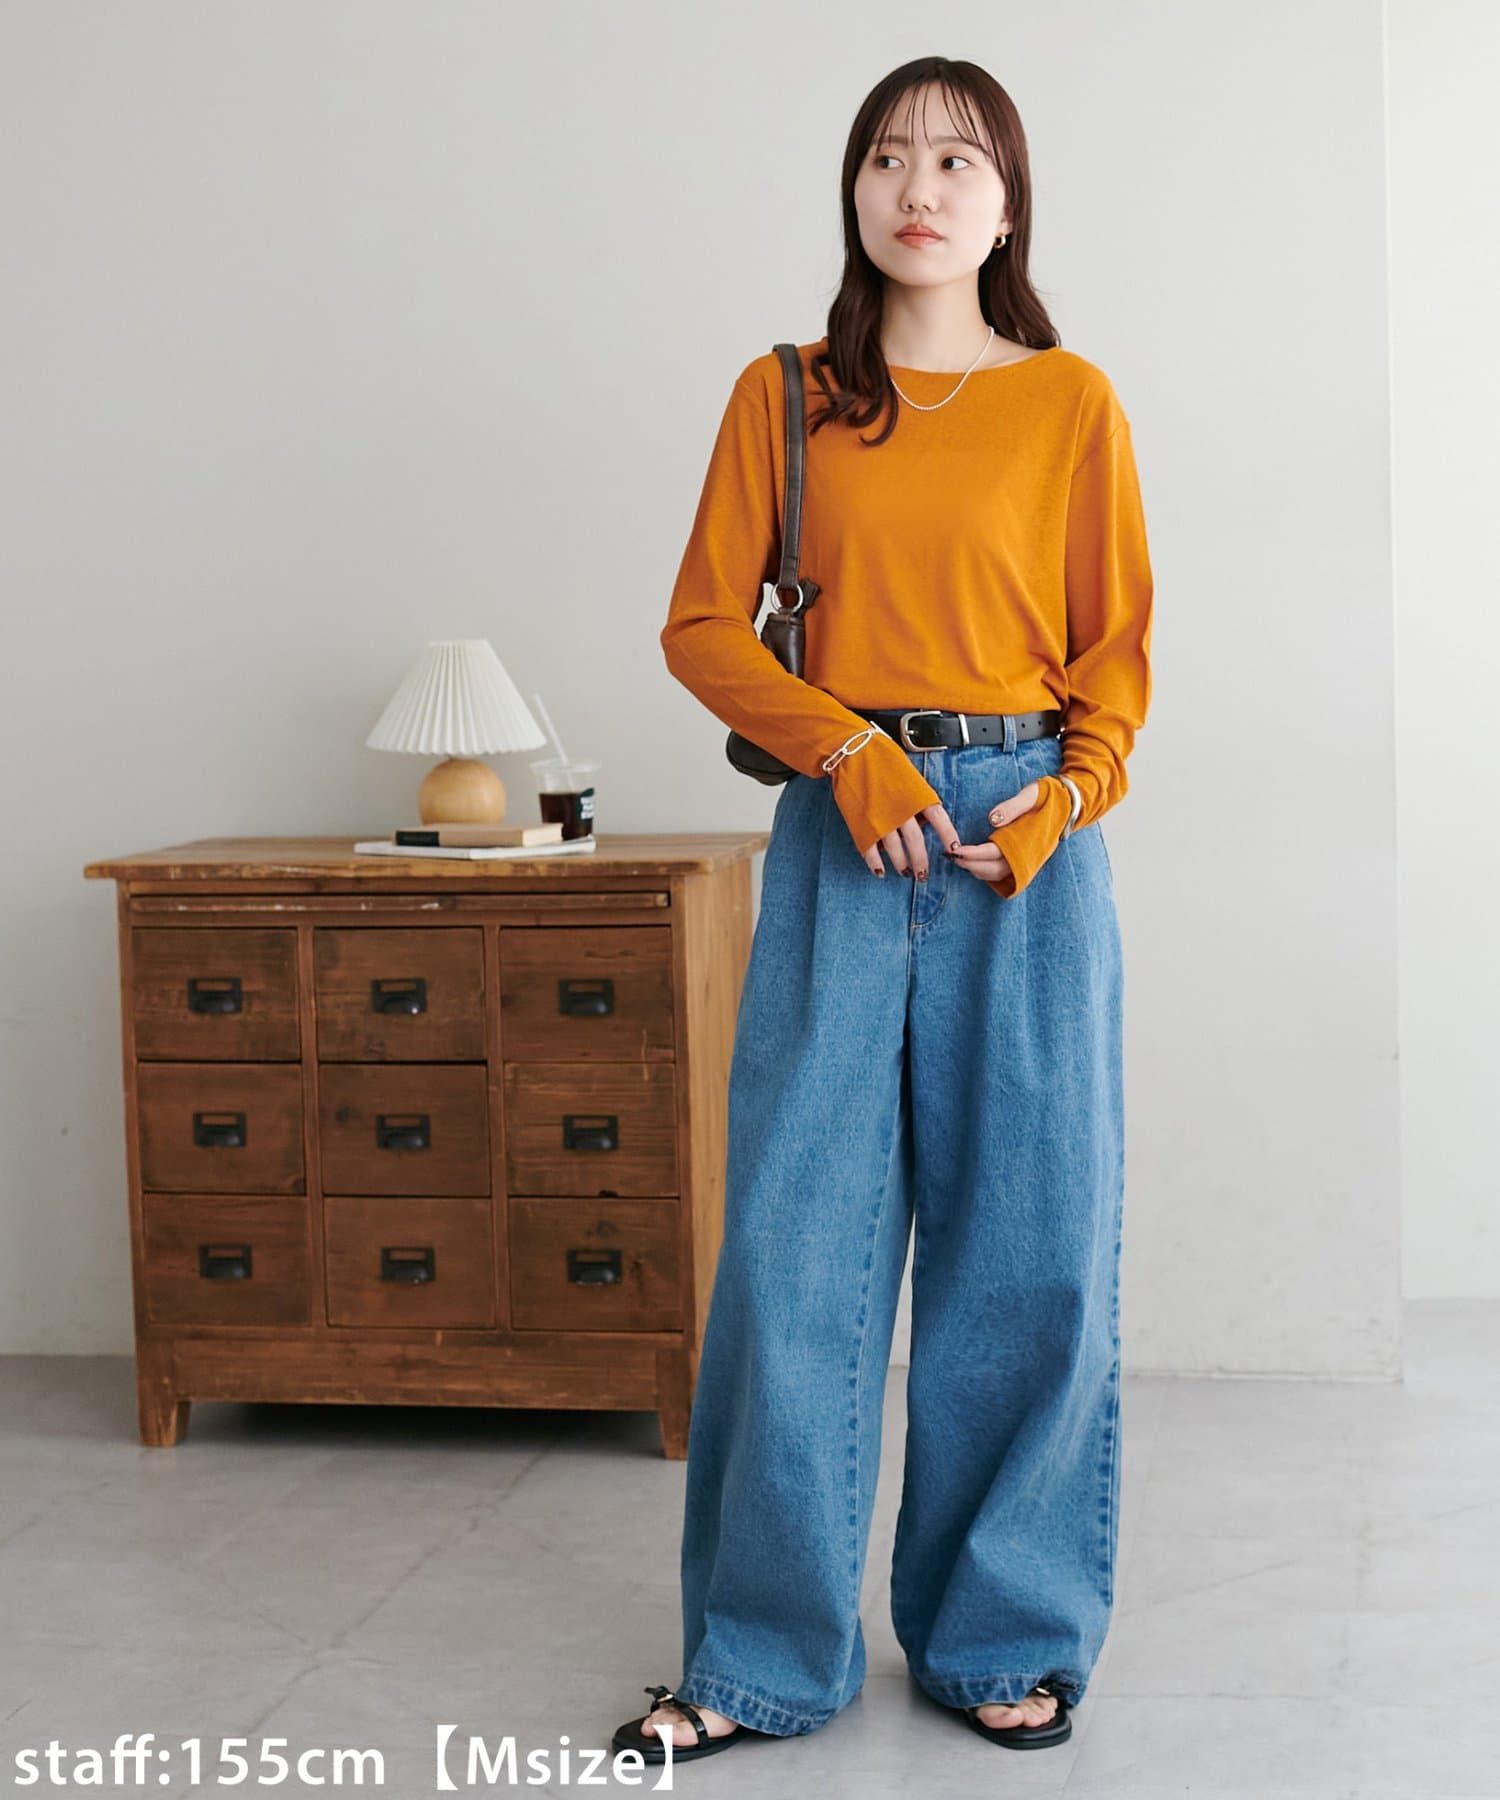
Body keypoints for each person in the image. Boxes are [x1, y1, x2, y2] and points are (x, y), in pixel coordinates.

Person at [611, 53, 1153, 1768]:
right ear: (853, 190)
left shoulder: (1070, 404)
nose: (920, 187)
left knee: (1031, 1249)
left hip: (1020, 853)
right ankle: (761, 1655)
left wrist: (1064, 800)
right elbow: (706, 627)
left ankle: (1004, 1634)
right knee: (795, 1257)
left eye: (959, 160)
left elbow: (1113, 663)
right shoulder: (785, 397)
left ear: (1008, 205)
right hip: (847, 840)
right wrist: (846, 752)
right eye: (888, 157)